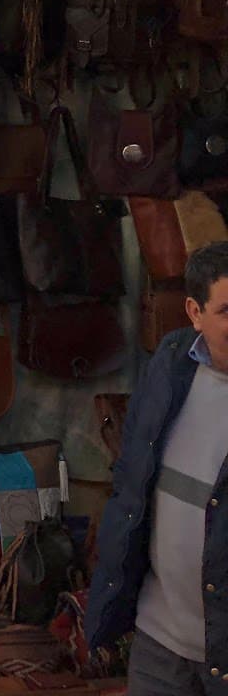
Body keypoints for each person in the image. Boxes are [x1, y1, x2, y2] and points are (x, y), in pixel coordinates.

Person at [88, 242, 228, 693]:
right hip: (159, 644)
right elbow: (131, 484)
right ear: (194, 312)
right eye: (227, 311)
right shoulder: (170, 365)